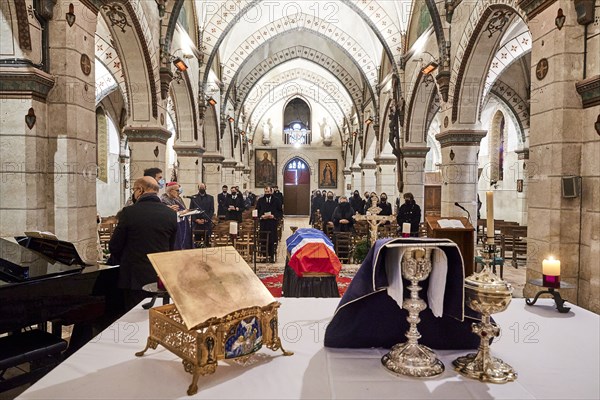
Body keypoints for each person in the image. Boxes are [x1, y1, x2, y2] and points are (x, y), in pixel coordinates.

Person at [109, 177, 178, 311]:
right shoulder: (170, 214)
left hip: (134, 277)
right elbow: (170, 247)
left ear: (140, 190)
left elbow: (115, 246)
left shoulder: (129, 212)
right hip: (159, 276)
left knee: (134, 314)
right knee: (155, 316)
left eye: (134, 189)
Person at [256, 186, 283, 262]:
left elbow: (280, 212)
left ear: (271, 192)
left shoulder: (276, 200)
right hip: (263, 223)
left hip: (272, 223)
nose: (267, 193)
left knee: (271, 240)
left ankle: (271, 256)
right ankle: (264, 257)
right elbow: (257, 210)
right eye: (265, 192)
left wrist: (274, 216)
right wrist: (261, 216)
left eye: (268, 192)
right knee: (263, 239)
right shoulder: (260, 200)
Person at [189, 183, 214, 247]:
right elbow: (191, 210)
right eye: (200, 188)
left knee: (207, 242)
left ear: (205, 188)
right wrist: (196, 220)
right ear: (198, 188)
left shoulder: (210, 198)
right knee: (197, 242)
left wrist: (206, 219)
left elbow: (211, 210)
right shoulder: (194, 198)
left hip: (206, 223)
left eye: (203, 187)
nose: (202, 189)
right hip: (197, 224)